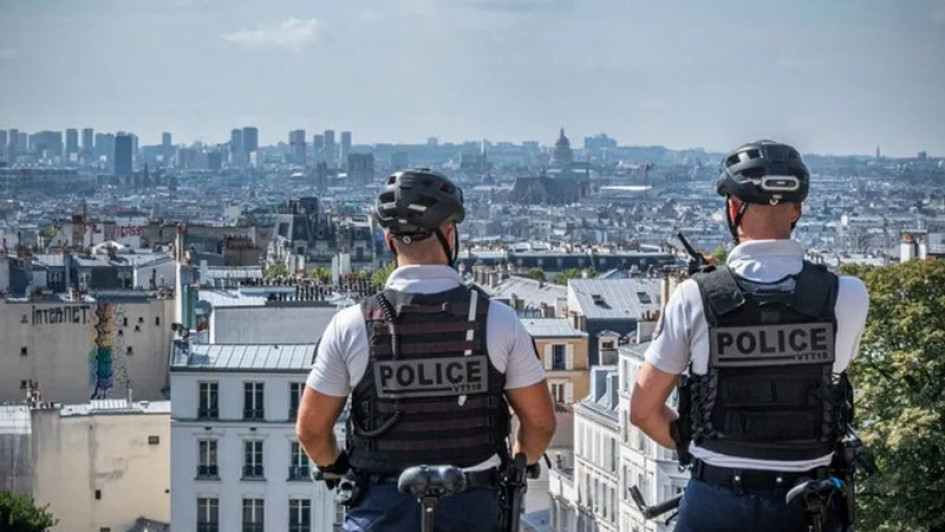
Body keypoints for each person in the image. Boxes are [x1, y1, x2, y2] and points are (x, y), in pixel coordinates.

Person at [296, 168, 556, 532]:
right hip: (472, 506)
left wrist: (336, 469)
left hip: (381, 509)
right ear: (450, 235)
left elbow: (310, 430)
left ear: (389, 242)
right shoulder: (498, 321)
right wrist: (518, 461)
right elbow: (541, 422)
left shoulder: (351, 324)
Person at [630, 140, 869, 532]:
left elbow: (643, 410)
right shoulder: (847, 295)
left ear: (732, 207)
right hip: (808, 502)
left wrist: (696, 445)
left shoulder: (697, 296)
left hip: (718, 499)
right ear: (798, 210)